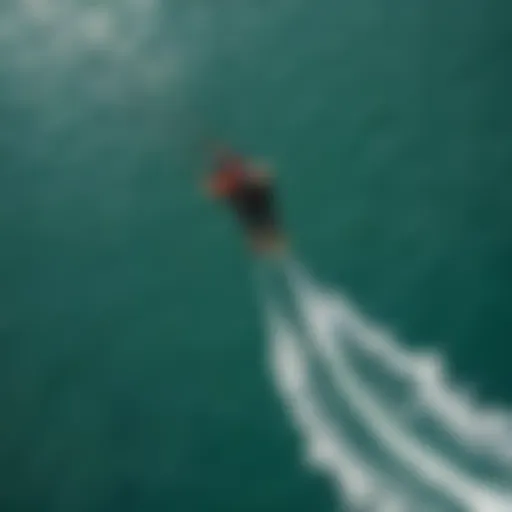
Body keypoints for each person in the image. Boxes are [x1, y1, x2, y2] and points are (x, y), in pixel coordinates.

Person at [202, 147, 286, 254]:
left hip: (254, 201)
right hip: (249, 204)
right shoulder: (227, 183)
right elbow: (211, 192)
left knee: (261, 225)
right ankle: (269, 244)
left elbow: (267, 176)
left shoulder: (249, 175)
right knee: (258, 227)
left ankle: (270, 243)